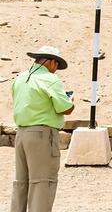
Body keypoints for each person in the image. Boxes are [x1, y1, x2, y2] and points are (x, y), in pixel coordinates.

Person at [11, 45, 75, 212]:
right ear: (51, 62)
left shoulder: (20, 78)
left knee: (21, 182)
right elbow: (65, 108)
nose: (56, 70)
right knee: (42, 183)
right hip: (42, 134)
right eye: (56, 66)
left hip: (22, 134)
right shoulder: (50, 79)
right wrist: (71, 100)